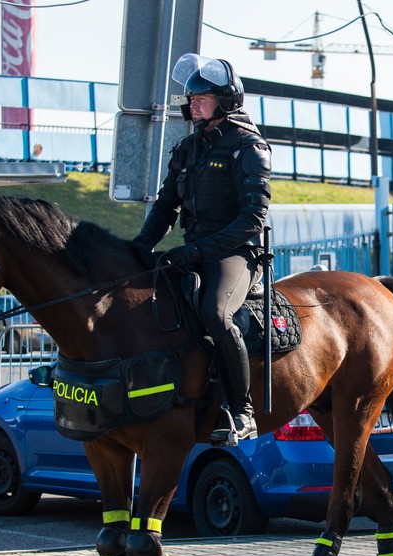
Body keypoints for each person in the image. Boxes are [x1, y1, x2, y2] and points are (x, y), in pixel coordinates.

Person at [132, 54, 272, 444]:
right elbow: (164, 207)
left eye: (202, 97)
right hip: (194, 249)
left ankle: (242, 413)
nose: (192, 104)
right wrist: (140, 247)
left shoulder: (249, 147)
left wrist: (196, 253)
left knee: (215, 313)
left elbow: (252, 220)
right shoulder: (188, 148)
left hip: (236, 253)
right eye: (190, 98)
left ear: (226, 101)